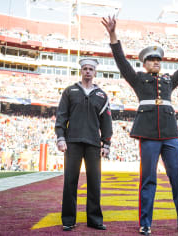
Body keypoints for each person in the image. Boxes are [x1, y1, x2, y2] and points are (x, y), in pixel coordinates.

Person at [102, 15, 178, 235]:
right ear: (144, 63)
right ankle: (145, 223)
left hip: (170, 134)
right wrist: (113, 35)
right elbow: (121, 62)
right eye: (152, 60)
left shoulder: (169, 80)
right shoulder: (138, 79)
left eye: (158, 60)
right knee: (148, 180)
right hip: (149, 134)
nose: (156, 62)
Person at [54, 58, 113, 231]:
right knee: (70, 182)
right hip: (72, 142)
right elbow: (61, 116)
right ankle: (68, 219)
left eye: (91, 69)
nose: (88, 71)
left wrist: (106, 143)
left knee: (95, 183)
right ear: (81, 71)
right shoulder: (69, 91)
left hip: (94, 144)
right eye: (85, 68)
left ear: (95, 72)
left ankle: (94, 220)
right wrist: (60, 137)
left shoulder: (102, 95)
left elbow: (107, 122)